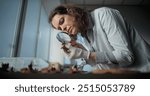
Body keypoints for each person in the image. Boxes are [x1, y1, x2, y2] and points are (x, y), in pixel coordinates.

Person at [48, 4, 150, 72]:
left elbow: (126, 57)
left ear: (71, 12)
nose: (63, 28)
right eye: (60, 28)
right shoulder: (83, 36)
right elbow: (102, 65)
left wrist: (88, 54)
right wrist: (82, 52)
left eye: (62, 21)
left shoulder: (104, 15)